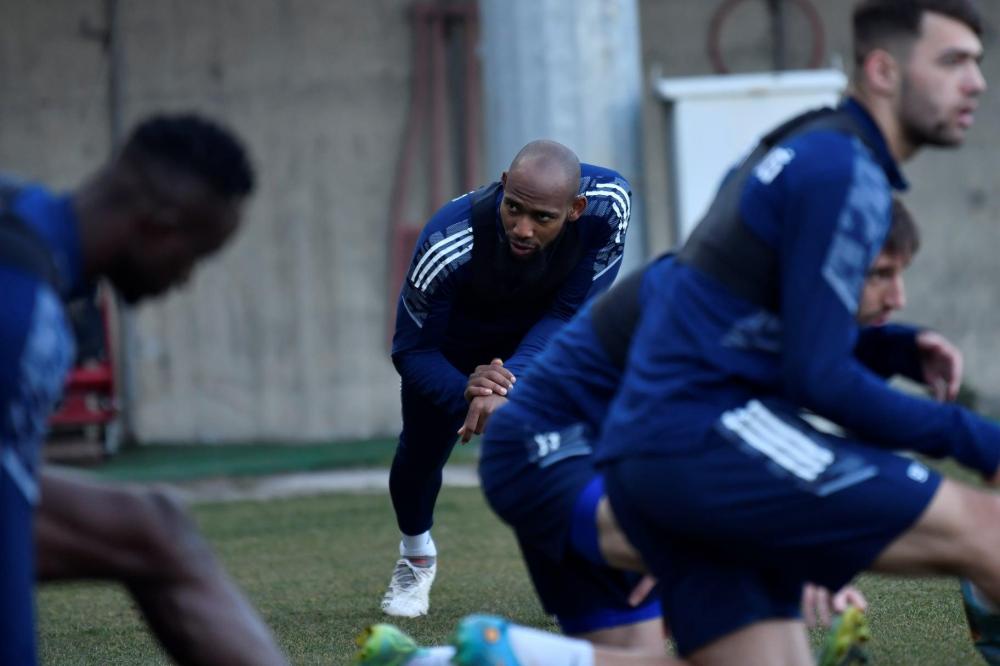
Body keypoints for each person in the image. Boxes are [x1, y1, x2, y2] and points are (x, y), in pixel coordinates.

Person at [582, 1, 1000, 664]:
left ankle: (496, 656)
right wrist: (980, 441)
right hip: (701, 439)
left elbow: (778, 329)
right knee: (988, 530)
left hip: (663, 447)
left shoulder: (806, 145)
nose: (975, 81)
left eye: (977, 63)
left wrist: (893, 348)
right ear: (883, 71)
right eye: (953, 61)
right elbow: (820, 377)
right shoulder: (842, 170)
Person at [352, 198, 926, 666]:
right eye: (880, 275)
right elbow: (721, 445)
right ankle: (507, 644)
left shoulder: (752, 299)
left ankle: (437, 660)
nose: (896, 297)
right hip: (565, 466)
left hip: (567, 458)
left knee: (642, 654)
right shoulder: (734, 311)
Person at [1, 113, 289, 665]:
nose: (185, 280)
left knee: (155, 527)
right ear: (158, 227)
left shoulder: (24, 223)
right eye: (194, 257)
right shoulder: (23, 315)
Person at [383, 139, 631, 617]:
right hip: (450, 350)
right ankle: (416, 556)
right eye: (513, 207)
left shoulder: (608, 205)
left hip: (541, 336)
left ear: (575, 209)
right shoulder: (446, 240)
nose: (522, 228)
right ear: (502, 186)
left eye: (542, 217)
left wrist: (511, 378)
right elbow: (411, 350)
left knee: (572, 443)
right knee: (420, 454)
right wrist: (469, 392)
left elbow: (569, 312)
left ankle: (585, 567)